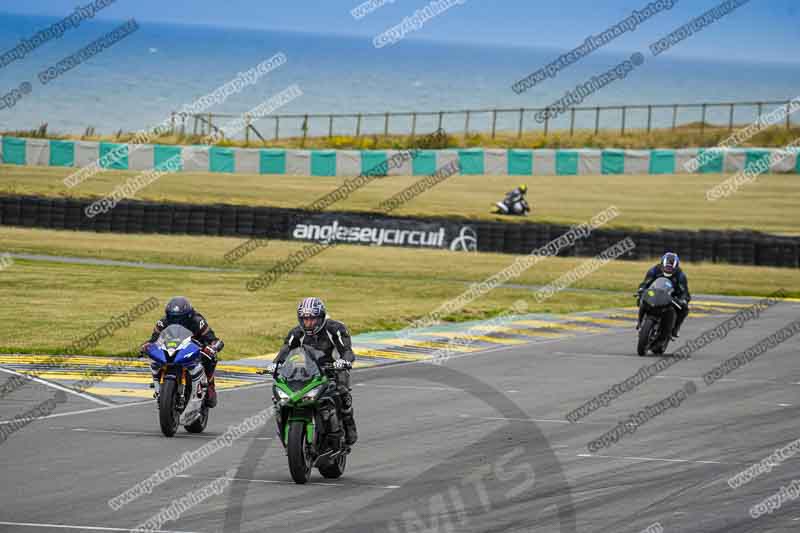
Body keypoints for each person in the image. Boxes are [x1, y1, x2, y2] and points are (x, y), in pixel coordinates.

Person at [263, 297, 358, 445]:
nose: (308, 323)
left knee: (342, 391)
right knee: (279, 397)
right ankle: (285, 426)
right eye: (305, 319)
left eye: (312, 319)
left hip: (333, 370)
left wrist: (344, 361)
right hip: (308, 371)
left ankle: (348, 424)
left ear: (321, 317)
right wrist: (275, 364)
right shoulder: (296, 333)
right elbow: (285, 351)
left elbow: (347, 351)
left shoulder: (335, 329)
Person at [139, 297, 224, 407]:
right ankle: (160, 387)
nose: (176, 321)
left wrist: (213, 347)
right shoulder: (162, 322)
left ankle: (210, 386)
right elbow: (154, 339)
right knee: (155, 360)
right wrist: (146, 346)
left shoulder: (197, 321)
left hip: (195, 349)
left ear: (188, 315)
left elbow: (212, 339)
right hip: (172, 348)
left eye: (180, 318)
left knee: (211, 358)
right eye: (173, 317)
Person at [636, 252, 690, 338]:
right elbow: (646, 282)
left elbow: (684, 291)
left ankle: (675, 329)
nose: (668, 269)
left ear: (676, 267)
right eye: (666, 267)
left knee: (684, 309)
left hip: (671, 297)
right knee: (641, 298)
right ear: (662, 265)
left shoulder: (680, 275)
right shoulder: (654, 270)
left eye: (671, 268)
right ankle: (640, 321)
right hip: (654, 293)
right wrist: (641, 289)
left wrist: (683, 299)